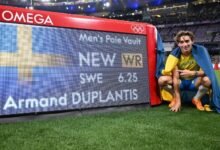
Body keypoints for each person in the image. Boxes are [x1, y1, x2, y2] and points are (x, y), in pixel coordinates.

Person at [158, 30, 220, 112]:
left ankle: (196, 99)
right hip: (181, 82)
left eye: (187, 41)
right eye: (181, 42)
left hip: (195, 81)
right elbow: (175, 78)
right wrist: (178, 101)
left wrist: (192, 73)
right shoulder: (174, 56)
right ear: (178, 44)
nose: (185, 44)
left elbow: (208, 71)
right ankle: (175, 97)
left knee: (208, 80)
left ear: (192, 41)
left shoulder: (201, 52)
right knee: (162, 80)